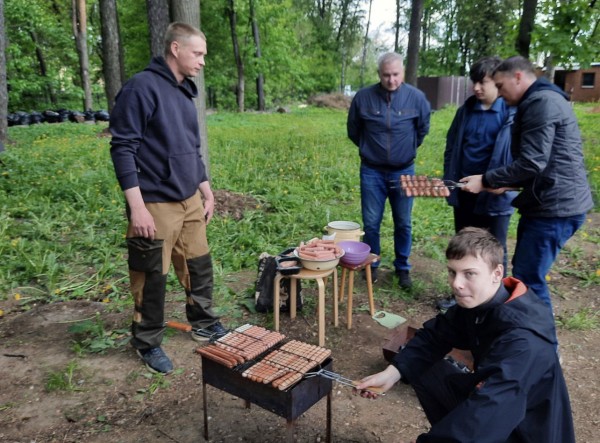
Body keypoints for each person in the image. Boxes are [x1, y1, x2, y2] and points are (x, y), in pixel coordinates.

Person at [355, 227, 575, 443]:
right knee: (426, 368)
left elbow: (489, 412)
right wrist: (393, 373)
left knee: (476, 417)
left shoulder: (524, 342)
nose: (457, 284)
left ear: (496, 273)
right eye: (452, 272)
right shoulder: (482, 301)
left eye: (469, 274)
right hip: (496, 400)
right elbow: (435, 336)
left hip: (525, 427)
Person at [109, 22, 227, 375]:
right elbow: (122, 148)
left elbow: (191, 147)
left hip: (189, 197)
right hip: (155, 201)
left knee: (198, 263)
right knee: (151, 274)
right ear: (175, 49)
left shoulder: (183, 92)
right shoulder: (140, 88)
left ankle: (204, 322)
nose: (203, 61)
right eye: (198, 53)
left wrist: (204, 188)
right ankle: (147, 341)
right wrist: (137, 207)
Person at [460, 56, 593, 312]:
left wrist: (487, 179)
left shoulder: (540, 102)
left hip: (554, 209)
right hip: (554, 202)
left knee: (528, 280)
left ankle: (542, 349)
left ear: (518, 77)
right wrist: (506, 185)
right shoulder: (546, 99)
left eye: (500, 86)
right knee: (525, 275)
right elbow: (551, 163)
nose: (498, 93)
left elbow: (532, 162)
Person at [347, 52, 431, 289]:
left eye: (395, 75)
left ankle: (402, 267)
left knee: (403, 222)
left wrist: (406, 150)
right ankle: (371, 264)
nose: (391, 80)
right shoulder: (363, 98)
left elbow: (422, 129)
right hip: (371, 171)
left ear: (402, 73)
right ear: (379, 74)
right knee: (371, 222)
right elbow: (354, 130)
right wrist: (370, 149)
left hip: (404, 171)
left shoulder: (416, 98)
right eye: (386, 75)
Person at [440, 56, 517, 311]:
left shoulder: (511, 113)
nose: (476, 88)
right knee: (465, 247)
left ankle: (497, 303)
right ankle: (462, 298)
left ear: (496, 83)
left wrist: (501, 183)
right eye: (474, 82)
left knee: (495, 250)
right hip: (464, 192)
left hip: (495, 195)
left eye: (482, 82)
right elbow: (452, 147)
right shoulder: (465, 111)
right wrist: (448, 180)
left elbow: (521, 158)